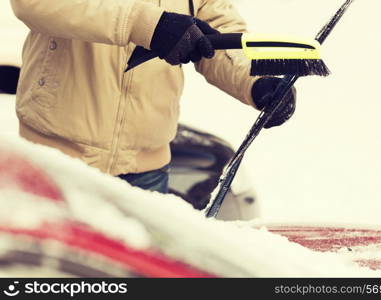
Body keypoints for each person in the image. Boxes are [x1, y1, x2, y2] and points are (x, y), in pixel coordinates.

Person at [10, 0, 296, 195]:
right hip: (56, 159)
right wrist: (146, 24)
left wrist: (256, 80)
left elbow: (217, 30)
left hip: (146, 170)